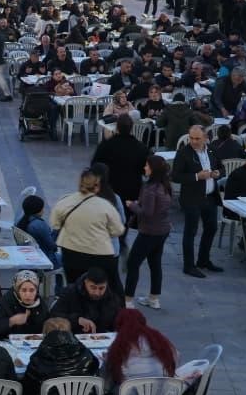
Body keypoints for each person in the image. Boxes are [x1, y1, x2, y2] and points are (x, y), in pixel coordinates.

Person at [50, 169, 125, 290]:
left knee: (74, 287)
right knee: (104, 286)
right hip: (100, 254)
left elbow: (55, 224)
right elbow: (118, 230)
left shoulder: (65, 201)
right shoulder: (105, 205)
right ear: (97, 186)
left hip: (71, 251)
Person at [21, 317, 100, 395]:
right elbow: (95, 372)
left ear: (45, 334)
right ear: (70, 332)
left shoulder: (39, 358)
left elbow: (29, 387)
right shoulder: (86, 354)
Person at [171, 125, 225, 277]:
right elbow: (175, 176)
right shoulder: (183, 153)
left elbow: (222, 167)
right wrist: (196, 176)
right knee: (191, 231)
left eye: (197, 139)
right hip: (192, 198)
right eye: (191, 138)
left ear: (205, 138)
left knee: (211, 228)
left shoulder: (212, 150)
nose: (194, 141)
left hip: (210, 197)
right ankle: (189, 265)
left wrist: (217, 173)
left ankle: (203, 260)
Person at [124, 155, 174, 309]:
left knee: (133, 263)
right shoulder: (165, 185)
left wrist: (132, 205)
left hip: (149, 232)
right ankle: (154, 298)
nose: (144, 168)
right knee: (155, 263)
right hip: (163, 230)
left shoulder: (150, 188)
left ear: (153, 169)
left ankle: (128, 300)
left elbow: (147, 212)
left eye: (147, 166)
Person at [50, 268, 125, 333]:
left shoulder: (112, 297)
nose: (97, 293)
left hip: (101, 338)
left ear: (106, 285)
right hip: (73, 337)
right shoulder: (70, 292)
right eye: (93, 287)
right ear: (85, 282)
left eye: (101, 288)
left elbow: (118, 321)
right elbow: (53, 315)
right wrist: (77, 320)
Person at [0, 269, 50, 339]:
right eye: (24, 290)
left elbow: (47, 326)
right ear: (17, 290)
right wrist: (11, 321)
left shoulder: (40, 304)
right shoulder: (5, 302)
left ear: (37, 291)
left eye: (32, 290)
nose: (28, 294)